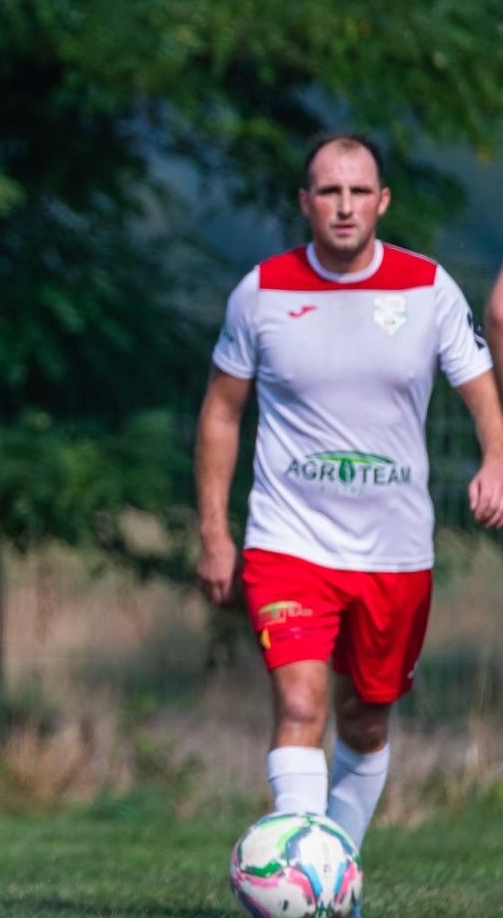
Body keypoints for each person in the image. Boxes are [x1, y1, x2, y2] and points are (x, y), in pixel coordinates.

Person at [194, 132, 503, 859]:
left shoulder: (426, 288)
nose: (343, 206)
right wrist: (214, 529)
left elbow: (481, 388)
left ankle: (337, 863)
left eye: (358, 191)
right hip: (288, 540)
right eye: (328, 191)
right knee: (300, 704)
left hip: (394, 550)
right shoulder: (262, 292)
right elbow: (220, 411)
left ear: (382, 202)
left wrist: (497, 457)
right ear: (305, 203)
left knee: (364, 721)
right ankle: (305, 872)